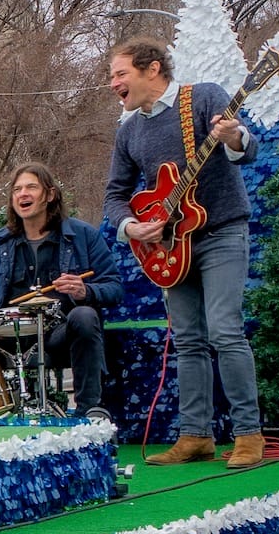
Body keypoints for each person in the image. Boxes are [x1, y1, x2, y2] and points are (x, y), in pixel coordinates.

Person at [103, 36, 263, 469]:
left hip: (222, 233)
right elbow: (115, 196)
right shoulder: (129, 130)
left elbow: (247, 150)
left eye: (120, 74)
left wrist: (233, 137)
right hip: (172, 246)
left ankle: (249, 435)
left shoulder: (205, 97)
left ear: (151, 69)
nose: (113, 83)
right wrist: (133, 226)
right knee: (188, 341)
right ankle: (196, 436)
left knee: (225, 331)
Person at [0, 162, 123, 418]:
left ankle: (88, 413)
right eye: (17, 189)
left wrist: (85, 291)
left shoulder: (84, 236)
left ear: (49, 195)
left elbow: (114, 287)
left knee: (84, 315)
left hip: (58, 336)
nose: (22, 194)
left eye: (31, 187)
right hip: (10, 335)